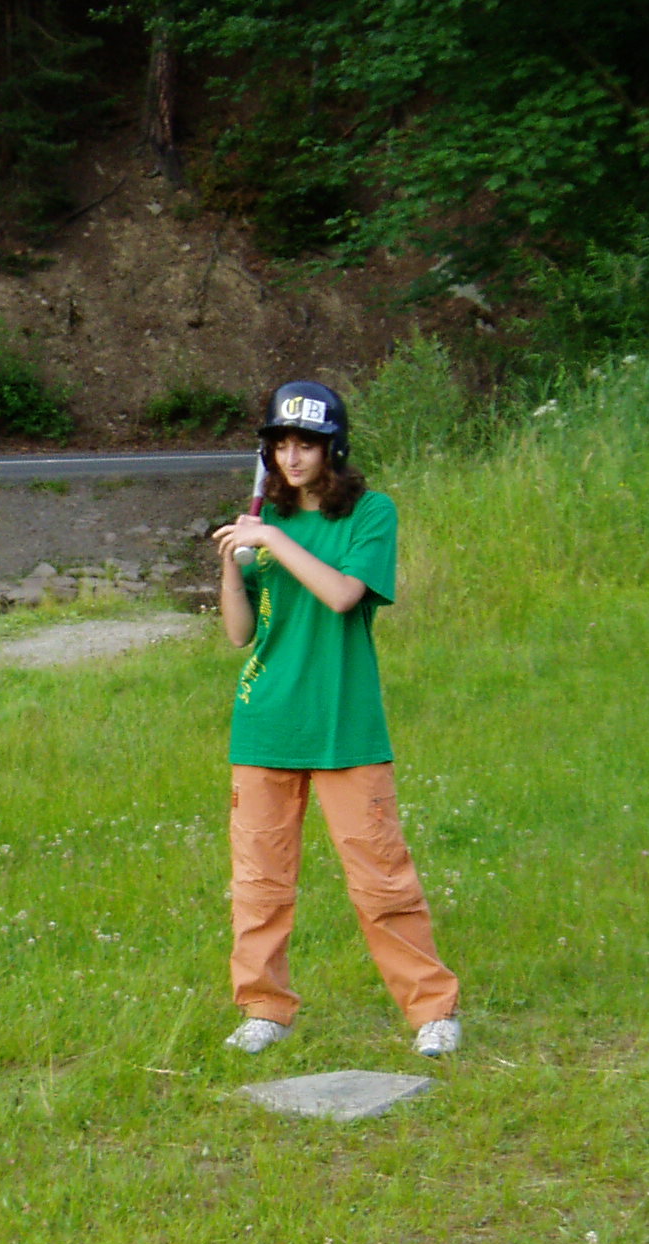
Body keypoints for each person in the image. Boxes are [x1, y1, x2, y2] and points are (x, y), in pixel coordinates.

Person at [211, 380, 462, 1059]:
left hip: (344, 725)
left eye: (307, 445)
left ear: (333, 449)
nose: (292, 458)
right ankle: (264, 1008)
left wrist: (272, 540)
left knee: (381, 878)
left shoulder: (370, 513)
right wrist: (233, 566)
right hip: (265, 721)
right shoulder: (267, 522)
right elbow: (239, 634)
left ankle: (432, 1009)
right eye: (281, 445)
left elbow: (345, 593)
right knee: (259, 883)